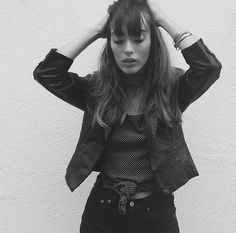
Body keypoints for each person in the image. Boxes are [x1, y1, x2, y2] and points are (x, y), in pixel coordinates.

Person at [33, 0, 222, 232]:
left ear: (153, 41)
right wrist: (95, 31)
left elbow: (208, 68)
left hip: (156, 214)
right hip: (102, 211)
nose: (128, 49)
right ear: (109, 43)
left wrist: (161, 18)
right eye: (119, 40)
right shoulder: (97, 91)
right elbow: (47, 74)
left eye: (139, 38)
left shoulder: (171, 90)